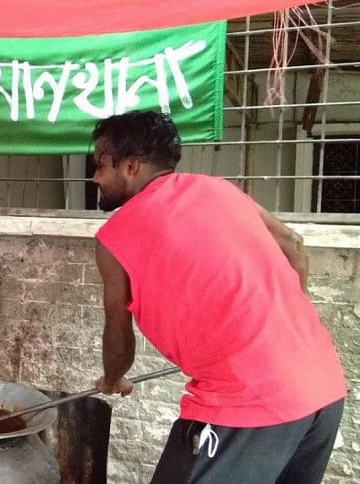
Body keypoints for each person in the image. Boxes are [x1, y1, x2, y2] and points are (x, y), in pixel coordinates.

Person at [89, 111, 347, 483]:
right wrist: (284, 323)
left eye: (100, 165)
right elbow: (294, 246)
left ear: (130, 166)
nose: (95, 177)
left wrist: (113, 379)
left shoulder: (115, 237)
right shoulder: (219, 189)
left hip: (248, 403)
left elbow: (118, 335)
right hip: (323, 386)